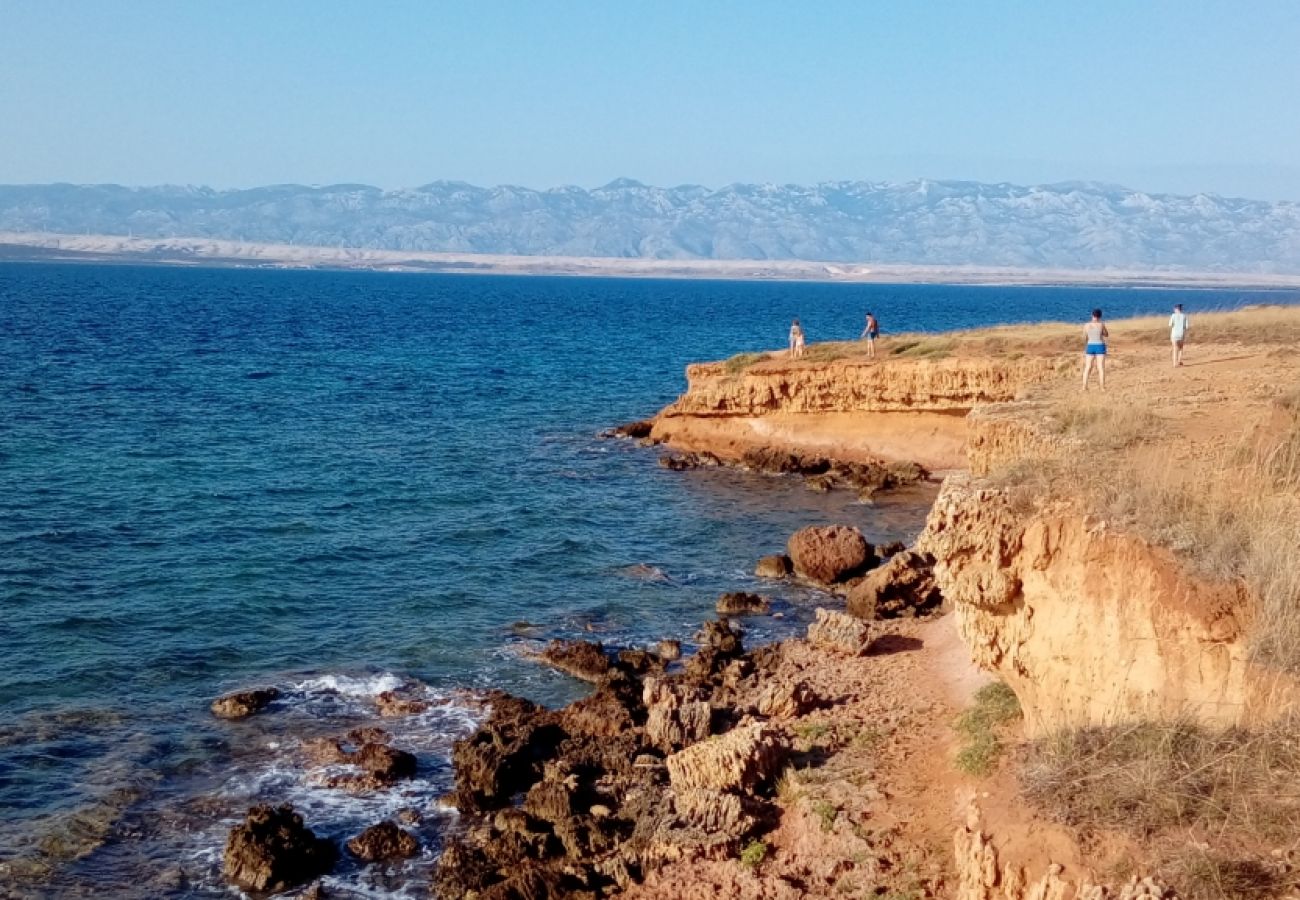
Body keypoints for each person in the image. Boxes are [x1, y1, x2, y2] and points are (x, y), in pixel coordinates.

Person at [1082, 308, 1108, 390]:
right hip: (1100, 345)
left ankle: (1084, 387)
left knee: (1088, 367)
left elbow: (1084, 337)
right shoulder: (1101, 324)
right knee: (1101, 368)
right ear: (1100, 316)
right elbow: (1106, 334)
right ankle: (1102, 387)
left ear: (1092, 315)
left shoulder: (1086, 325)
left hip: (1090, 346)